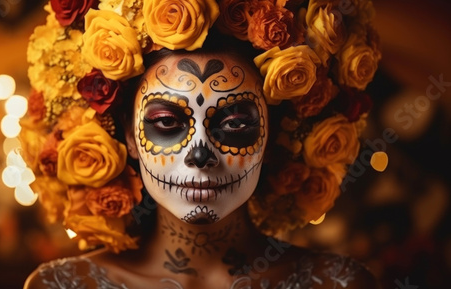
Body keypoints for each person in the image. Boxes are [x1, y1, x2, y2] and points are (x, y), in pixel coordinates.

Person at [21, 0, 381, 288]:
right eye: (166, 123)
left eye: (235, 125)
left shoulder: (338, 285)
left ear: (273, 136)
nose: (200, 154)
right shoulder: (62, 286)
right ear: (129, 136)